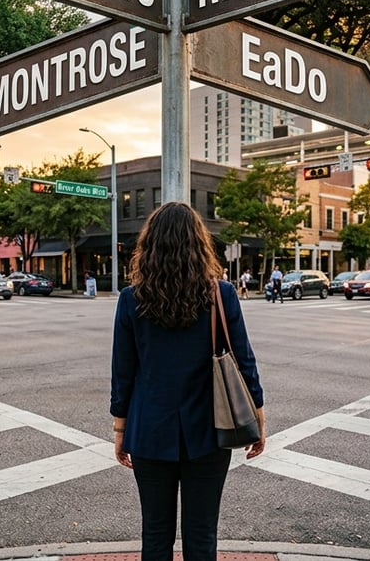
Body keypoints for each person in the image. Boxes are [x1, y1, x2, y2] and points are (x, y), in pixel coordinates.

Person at [110, 202, 266, 561]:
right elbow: (243, 361)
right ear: (199, 244)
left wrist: (121, 429)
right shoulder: (221, 294)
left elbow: (123, 372)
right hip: (210, 432)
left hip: (149, 431)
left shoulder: (131, 299)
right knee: (201, 536)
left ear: (149, 247)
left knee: (155, 535)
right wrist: (257, 416)